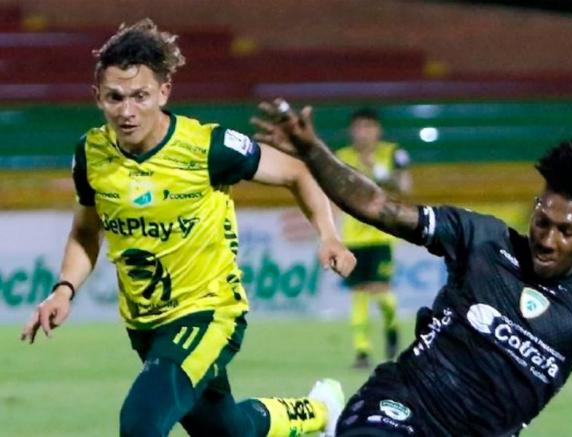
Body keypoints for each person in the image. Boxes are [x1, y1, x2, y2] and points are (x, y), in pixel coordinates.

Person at [20, 21, 356, 437]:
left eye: (140, 96)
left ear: (164, 92)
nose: (127, 111)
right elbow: (87, 233)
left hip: (210, 313)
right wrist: (64, 290)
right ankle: (321, 412)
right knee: (227, 430)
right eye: (115, 97)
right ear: (98, 97)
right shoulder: (91, 154)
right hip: (146, 325)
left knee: (141, 423)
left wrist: (329, 235)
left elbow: (296, 172)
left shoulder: (207, 147)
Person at [251, 99, 572, 436]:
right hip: (403, 403)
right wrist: (312, 150)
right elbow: (380, 206)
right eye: (542, 222)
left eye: (566, 232)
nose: (548, 240)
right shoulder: (482, 238)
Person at [335, 108, 412, 368]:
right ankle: (362, 351)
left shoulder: (393, 154)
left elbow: (405, 187)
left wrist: (379, 174)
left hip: (382, 233)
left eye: (369, 127)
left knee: (380, 289)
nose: (364, 133)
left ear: (378, 130)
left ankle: (392, 327)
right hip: (353, 237)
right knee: (359, 292)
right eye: (359, 127)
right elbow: (333, 192)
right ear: (351, 130)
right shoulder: (341, 157)